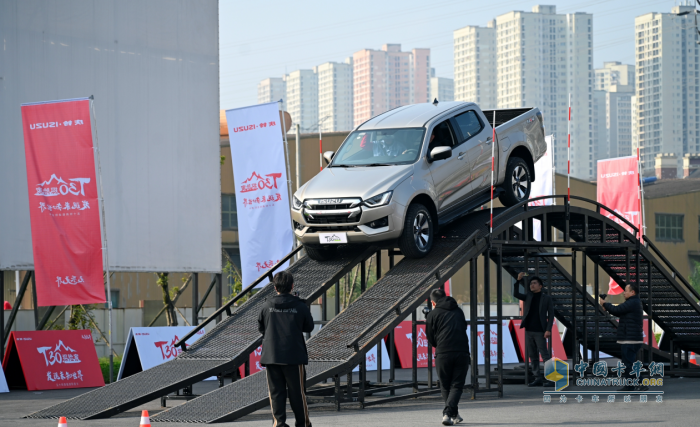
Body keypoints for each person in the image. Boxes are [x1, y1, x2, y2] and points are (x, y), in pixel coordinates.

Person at [258, 271, 314, 427]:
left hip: (272, 355)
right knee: (297, 392)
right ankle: (302, 424)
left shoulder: (266, 305)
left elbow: (261, 328)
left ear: (275, 287)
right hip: (293, 355)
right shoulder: (300, 306)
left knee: (276, 392)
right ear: (292, 286)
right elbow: (309, 326)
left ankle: (279, 423)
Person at [426, 288, 470, 426]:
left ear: (433, 302)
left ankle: (447, 414)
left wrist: (439, 345)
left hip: (443, 352)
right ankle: (453, 414)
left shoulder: (433, 314)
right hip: (462, 351)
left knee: (445, 385)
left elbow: (430, 336)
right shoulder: (458, 311)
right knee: (457, 385)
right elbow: (464, 327)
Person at [599, 283, 647, 392]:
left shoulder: (633, 302)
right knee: (628, 363)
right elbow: (619, 310)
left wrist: (605, 304)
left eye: (626, 290)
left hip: (630, 339)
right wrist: (607, 307)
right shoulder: (633, 303)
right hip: (630, 338)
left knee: (629, 363)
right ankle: (630, 385)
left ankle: (640, 383)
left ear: (632, 292)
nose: (624, 292)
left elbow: (617, 310)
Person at [513, 272, 555, 386]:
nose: (532, 285)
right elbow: (516, 293)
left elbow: (551, 315)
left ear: (540, 286)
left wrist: (548, 329)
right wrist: (517, 281)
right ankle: (538, 378)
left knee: (545, 355)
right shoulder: (528, 296)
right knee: (533, 356)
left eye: (535, 283)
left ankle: (551, 379)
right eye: (531, 283)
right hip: (529, 330)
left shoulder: (546, 298)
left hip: (540, 331)